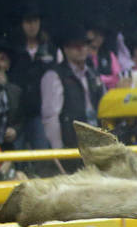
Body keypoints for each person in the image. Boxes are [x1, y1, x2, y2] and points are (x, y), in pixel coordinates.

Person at [40, 24, 104, 153]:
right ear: (66, 49)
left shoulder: (93, 75)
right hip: (71, 144)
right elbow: (51, 118)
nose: (81, 49)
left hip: (97, 142)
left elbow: (104, 109)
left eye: (84, 45)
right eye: (75, 46)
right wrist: (59, 151)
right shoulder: (54, 75)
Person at [9, 5, 57, 149]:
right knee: (16, 153)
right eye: (28, 21)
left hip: (40, 111)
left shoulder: (50, 48)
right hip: (17, 113)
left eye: (35, 21)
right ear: (21, 24)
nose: (32, 26)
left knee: (42, 150)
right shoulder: (12, 49)